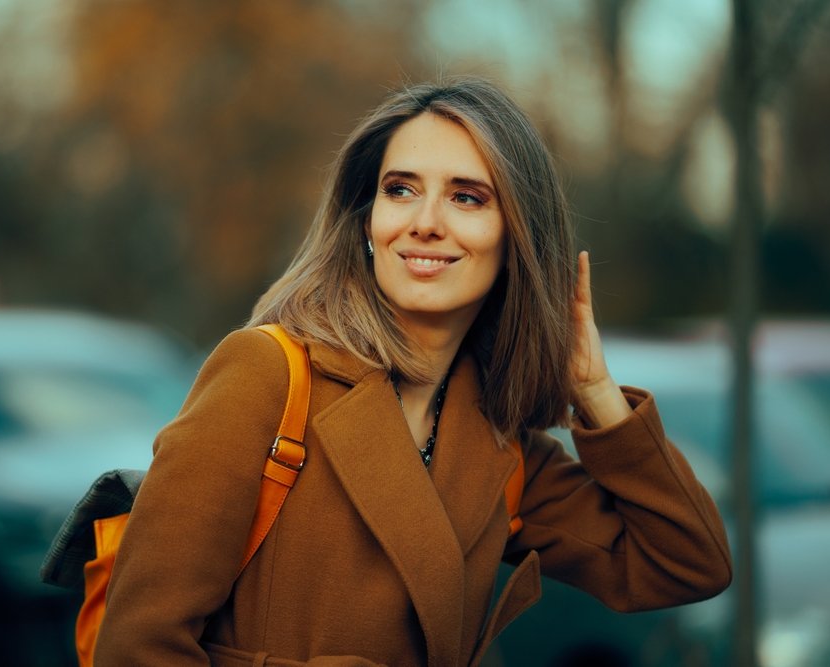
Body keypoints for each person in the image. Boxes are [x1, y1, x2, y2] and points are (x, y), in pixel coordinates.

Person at [94, 77, 732, 666]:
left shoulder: (499, 448)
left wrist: (594, 391)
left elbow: (686, 563)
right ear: (367, 221)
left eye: (466, 196)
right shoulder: (267, 374)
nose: (425, 223)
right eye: (400, 189)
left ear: (517, 238)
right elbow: (140, 644)